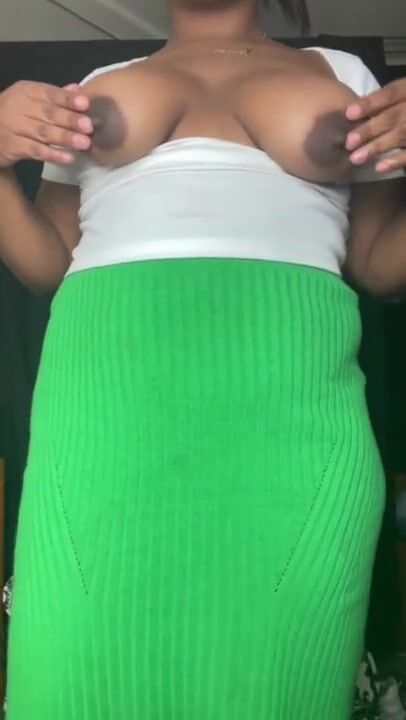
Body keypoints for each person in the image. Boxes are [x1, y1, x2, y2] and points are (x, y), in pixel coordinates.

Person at [1, 0, 406, 717]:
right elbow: (49, 266)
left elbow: (378, 265)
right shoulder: (96, 82)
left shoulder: (346, 76)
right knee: (71, 681)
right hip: (102, 418)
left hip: (293, 413)